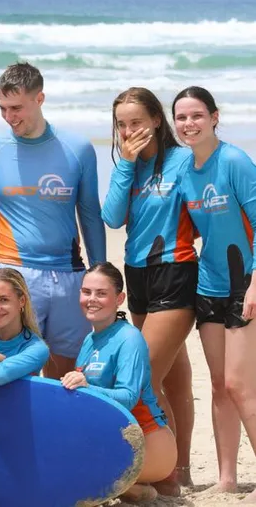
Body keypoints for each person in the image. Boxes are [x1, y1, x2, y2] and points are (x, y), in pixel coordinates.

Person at [0, 61, 106, 380]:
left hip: (69, 273)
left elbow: (89, 213)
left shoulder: (77, 149)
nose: (10, 117)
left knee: (66, 376)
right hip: (14, 272)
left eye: (17, 107)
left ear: (40, 98)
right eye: (3, 108)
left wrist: (98, 273)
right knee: (13, 373)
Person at [101, 87, 197, 493]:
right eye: (121, 124)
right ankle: (185, 467)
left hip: (175, 271)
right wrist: (124, 163)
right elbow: (111, 216)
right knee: (175, 381)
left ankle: (167, 476)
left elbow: (212, 212)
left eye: (136, 122)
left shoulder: (184, 160)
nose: (129, 131)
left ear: (157, 120)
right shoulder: (128, 165)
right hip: (137, 276)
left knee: (145, 381)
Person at [173, 86, 256, 500]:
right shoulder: (185, 170)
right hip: (209, 286)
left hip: (245, 284)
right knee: (220, 385)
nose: (189, 124)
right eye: (182, 117)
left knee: (242, 385)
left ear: (214, 117)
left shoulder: (235, 161)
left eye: (197, 116)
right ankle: (227, 479)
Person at [62, 262, 177, 502]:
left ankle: (136, 489)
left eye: (101, 293)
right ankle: (124, 486)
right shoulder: (89, 340)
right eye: (86, 292)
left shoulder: (129, 338)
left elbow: (128, 396)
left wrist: (87, 387)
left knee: (74, 472)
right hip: (112, 439)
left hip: (150, 441)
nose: (92, 299)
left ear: (119, 298)